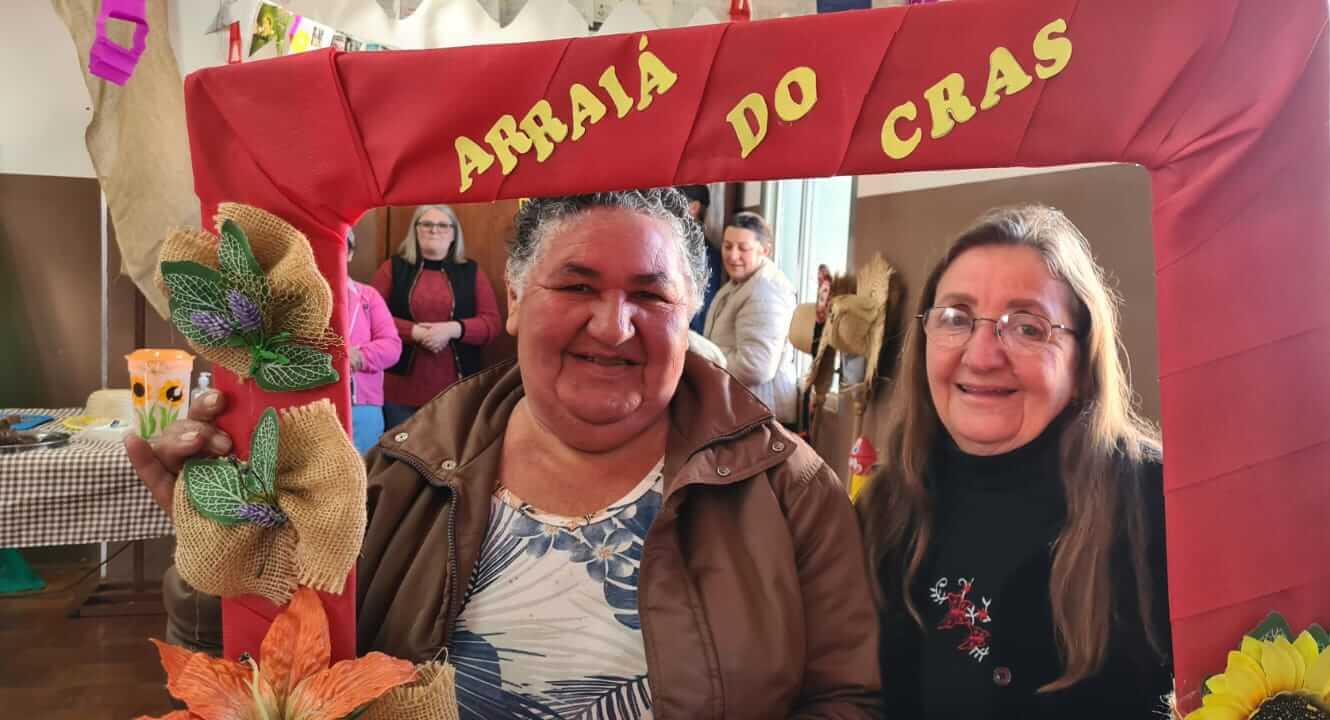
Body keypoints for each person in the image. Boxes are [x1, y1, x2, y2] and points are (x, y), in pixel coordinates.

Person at [126, 189, 881, 718]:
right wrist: (219, 557)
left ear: (689, 316)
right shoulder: (397, 477)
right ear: (515, 300)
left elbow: (847, 697)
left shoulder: (788, 488)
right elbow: (278, 677)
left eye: (652, 297)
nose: (613, 326)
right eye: (576, 285)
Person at [856, 205, 1170, 717]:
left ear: (1083, 364)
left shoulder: (1161, 505)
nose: (981, 356)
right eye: (956, 318)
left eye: (1027, 327)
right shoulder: (884, 508)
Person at [372, 205, 501, 427]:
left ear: (453, 234)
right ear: (415, 230)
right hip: (398, 390)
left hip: (456, 391)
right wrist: (414, 332)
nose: (434, 230)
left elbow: (492, 323)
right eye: (427, 224)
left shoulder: (471, 271)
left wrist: (452, 329)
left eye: (443, 225)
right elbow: (370, 318)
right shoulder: (392, 268)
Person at [703, 211, 801, 426]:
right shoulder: (738, 284)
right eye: (728, 246)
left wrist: (703, 360)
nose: (733, 256)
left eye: (743, 248)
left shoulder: (766, 289)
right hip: (744, 413)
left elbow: (755, 366)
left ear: (765, 250)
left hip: (760, 419)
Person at [345, 229, 402, 454]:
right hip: (313, 403)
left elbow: (392, 346)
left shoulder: (368, 296)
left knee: (364, 469)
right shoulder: (300, 297)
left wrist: (359, 356)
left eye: (341, 248)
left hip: (363, 405)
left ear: (350, 254)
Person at [678, 184, 721, 334]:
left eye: (675, 200)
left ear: (694, 207)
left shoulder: (707, 254)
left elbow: (700, 315)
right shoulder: (674, 243)